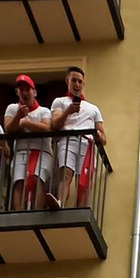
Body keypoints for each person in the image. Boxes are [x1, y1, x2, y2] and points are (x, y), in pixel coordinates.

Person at [47, 66, 106, 210]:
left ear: (83, 84)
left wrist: (99, 136)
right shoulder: (59, 102)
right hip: (67, 141)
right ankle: (60, 202)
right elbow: (55, 124)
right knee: (66, 174)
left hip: (87, 144)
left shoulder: (93, 108)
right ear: (67, 81)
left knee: (84, 182)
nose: (77, 84)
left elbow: (104, 138)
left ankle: (80, 210)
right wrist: (68, 111)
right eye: (74, 80)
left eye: (80, 81)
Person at [4, 74, 52, 213]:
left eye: (27, 89)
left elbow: (46, 127)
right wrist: (18, 116)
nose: (24, 92)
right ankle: (19, 214)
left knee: (38, 180)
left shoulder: (44, 111)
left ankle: (37, 213)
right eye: (21, 89)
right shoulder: (12, 109)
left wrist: (25, 123)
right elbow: (8, 129)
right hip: (21, 151)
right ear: (17, 92)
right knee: (19, 182)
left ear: (34, 92)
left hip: (41, 151)